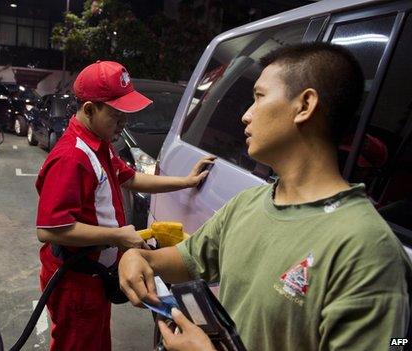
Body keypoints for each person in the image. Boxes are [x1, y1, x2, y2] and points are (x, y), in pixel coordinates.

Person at [118, 42, 412, 351]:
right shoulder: (249, 204)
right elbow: (186, 258)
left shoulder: (367, 250)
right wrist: (139, 257)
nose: (245, 116)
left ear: (304, 105)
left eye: (259, 97)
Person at [35, 60, 215, 351]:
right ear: (90, 109)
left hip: (91, 276)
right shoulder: (72, 157)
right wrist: (118, 236)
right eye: (117, 116)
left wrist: (186, 181)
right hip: (74, 281)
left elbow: (131, 179)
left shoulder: (99, 142)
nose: (123, 124)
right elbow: (51, 230)